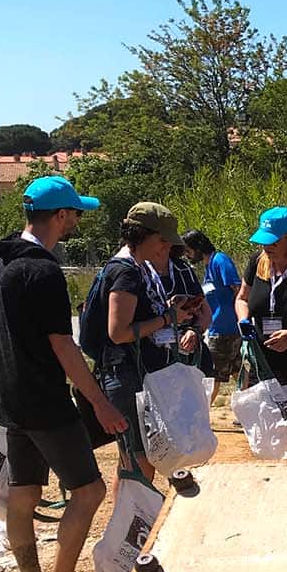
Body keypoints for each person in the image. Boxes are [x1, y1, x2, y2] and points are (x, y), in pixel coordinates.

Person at [0, 175, 126, 572]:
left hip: (9, 397)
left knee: (23, 494)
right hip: (42, 400)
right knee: (90, 490)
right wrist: (99, 402)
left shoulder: (0, 260)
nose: (77, 220)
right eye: (76, 213)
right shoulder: (42, 270)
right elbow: (63, 346)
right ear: (60, 216)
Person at [97, 202, 185, 482]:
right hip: (125, 375)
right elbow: (119, 331)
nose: (166, 248)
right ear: (141, 235)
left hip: (130, 373)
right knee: (138, 461)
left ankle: (133, 521)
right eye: (162, 240)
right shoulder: (127, 272)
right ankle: (134, 522)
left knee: (137, 459)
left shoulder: (134, 266)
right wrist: (167, 319)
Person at [236, 206, 287, 390]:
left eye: (273, 243)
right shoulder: (257, 262)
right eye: (263, 242)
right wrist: (243, 320)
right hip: (261, 362)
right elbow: (242, 298)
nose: (266, 248)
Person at [183, 229, 241, 401]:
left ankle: (202, 412)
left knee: (210, 373)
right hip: (217, 329)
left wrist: (239, 318)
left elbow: (237, 289)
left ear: (198, 247)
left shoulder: (220, 260)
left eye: (189, 250)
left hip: (226, 330)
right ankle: (248, 410)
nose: (187, 255)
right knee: (237, 371)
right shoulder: (208, 267)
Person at [157, 237, 211, 365]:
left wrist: (195, 331)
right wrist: (168, 316)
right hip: (154, 357)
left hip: (187, 354)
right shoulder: (136, 272)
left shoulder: (183, 269)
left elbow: (205, 310)